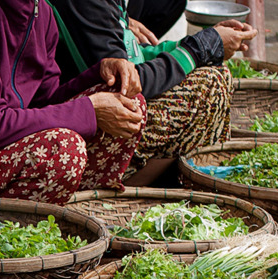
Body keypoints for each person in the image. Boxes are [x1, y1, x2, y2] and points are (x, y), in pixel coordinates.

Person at [0, 0, 248, 202]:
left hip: (5, 149)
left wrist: (98, 75)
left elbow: (45, 100)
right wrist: (90, 110)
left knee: (124, 99)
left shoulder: (39, 12)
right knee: (63, 149)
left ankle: (80, 203)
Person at [47, 0, 255, 179]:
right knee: (209, 85)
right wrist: (201, 47)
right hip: (77, 129)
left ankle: (185, 179)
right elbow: (128, 84)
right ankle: (132, 186)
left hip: (80, 109)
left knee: (213, 73)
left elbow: (133, 58)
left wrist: (203, 42)